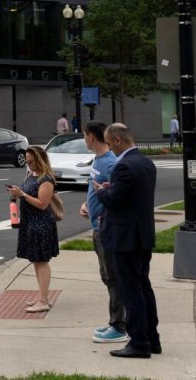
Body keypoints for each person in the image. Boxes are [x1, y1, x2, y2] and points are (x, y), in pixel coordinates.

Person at [94, 123, 161, 359]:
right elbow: (132, 195)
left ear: (118, 140)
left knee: (131, 290)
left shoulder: (124, 165)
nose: (109, 148)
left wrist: (101, 192)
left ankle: (139, 342)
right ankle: (152, 338)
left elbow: (114, 200)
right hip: (143, 235)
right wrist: (113, 189)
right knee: (143, 286)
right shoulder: (145, 162)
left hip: (125, 238)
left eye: (110, 143)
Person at [79, 121, 126, 345]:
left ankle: (119, 326)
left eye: (84, 136)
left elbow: (118, 195)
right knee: (107, 277)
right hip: (98, 227)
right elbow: (98, 189)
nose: (84, 140)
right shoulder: (98, 161)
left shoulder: (111, 163)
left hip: (107, 229)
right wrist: (87, 204)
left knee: (113, 278)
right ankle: (114, 321)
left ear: (90, 137)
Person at [8, 146, 59, 312]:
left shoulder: (46, 179)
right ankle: (41, 296)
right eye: (27, 161)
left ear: (40, 159)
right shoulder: (32, 174)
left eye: (31, 161)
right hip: (30, 222)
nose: (28, 164)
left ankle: (44, 301)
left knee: (41, 261)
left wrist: (22, 194)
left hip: (41, 224)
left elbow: (42, 204)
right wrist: (17, 193)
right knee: (36, 261)